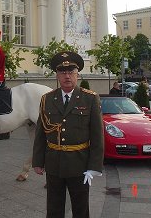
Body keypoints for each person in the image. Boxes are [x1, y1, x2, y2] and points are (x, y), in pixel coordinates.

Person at [32, 51, 104, 218]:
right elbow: (41, 133)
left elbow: (97, 136)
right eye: (63, 72)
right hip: (53, 164)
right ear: (57, 75)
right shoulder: (47, 99)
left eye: (71, 72)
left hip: (79, 165)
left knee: (80, 209)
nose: (67, 76)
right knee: (54, 208)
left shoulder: (90, 99)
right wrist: (38, 161)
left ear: (77, 74)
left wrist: (94, 167)